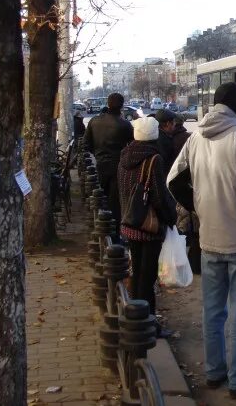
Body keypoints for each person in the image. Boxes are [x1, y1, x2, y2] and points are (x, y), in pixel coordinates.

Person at [167, 82, 236, 399]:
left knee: (212, 311)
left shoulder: (196, 137)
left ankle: (214, 373)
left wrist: (197, 206)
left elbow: (173, 180)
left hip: (208, 240)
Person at [117, 117, 176, 336]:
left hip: (130, 223)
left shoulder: (124, 156)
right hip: (149, 228)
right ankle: (147, 322)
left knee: (139, 272)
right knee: (147, 276)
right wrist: (171, 219)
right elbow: (159, 197)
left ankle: (136, 315)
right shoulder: (154, 160)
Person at [84, 93, 133, 226]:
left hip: (100, 163)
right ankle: (114, 231)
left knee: (100, 197)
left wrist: (97, 153)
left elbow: (86, 144)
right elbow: (132, 146)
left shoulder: (94, 121)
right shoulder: (125, 124)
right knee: (115, 201)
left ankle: (101, 227)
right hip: (118, 166)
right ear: (122, 106)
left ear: (108, 103)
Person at [171, 114, 201, 275]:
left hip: (185, 190)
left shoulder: (171, 140)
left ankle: (191, 262)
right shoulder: (190, 138)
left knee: (186, 228)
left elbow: (172, 180)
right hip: (195, 187)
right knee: (196, 230)